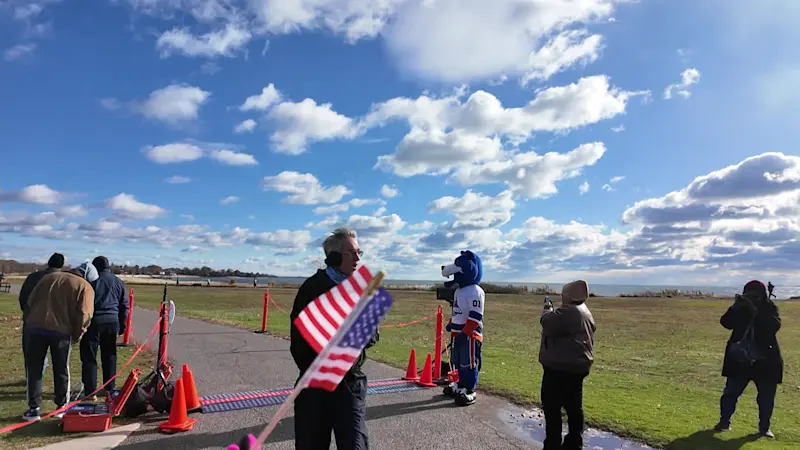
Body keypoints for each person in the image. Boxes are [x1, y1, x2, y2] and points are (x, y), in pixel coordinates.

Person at [289, 227, 377, 450]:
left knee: (355, 445)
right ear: (335, 257)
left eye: (360, 252)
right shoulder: (312, 288)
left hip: (350, 384)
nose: (358, 258)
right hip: (314, 385)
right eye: (352, 252)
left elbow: (373, 334)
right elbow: (299, 340)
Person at [22, 261, 98, 421]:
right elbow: (85, 315)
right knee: (62, 369)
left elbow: (30, 302)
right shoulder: (85, 286)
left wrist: (29, 322)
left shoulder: (48, 277)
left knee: (34, 369)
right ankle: (61, 407)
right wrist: (78, 334)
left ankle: (33, 409)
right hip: (62, 333)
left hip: (35, 328)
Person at [715, 280, 783, 438]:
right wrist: (735, 306)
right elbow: (726, 323)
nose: (753, 297)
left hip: (765, 359)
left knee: (766, 397)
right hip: (741, 359)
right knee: (730, 393)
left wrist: (754, 309)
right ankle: (724, 422)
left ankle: (764, 428)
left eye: (756, 294)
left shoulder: (769, 308)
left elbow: (773, 327)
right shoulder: (740, 308)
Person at [538, 280, 596, 450]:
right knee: (573, 407)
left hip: (560, 368)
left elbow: (547, 322)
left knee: (552, 407)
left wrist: (547, 308)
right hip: (577, 366)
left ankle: (553, 445)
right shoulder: (584, 311)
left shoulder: (569, 312)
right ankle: (573, 442)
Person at [80, 256, 128, 400]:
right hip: (112, 321)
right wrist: (122, 324)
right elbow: (124, 305)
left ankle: (90, 391)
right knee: (110, 356)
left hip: (93, 321)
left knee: (89, 357)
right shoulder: (118, 282)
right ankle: (110, 388)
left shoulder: (91, 281)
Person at [18, 253, 65, 393]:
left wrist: (28, 313)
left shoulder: (33, 277)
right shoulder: (63, 279)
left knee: (32, 354)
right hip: (57, 323)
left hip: (33, 321)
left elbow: (23, 298)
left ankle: (32, 380)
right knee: (59, 359)